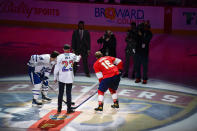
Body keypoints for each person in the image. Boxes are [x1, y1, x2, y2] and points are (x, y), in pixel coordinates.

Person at [54, 44, 81, 114]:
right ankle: (69, 109)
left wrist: (55, 77)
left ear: (63, 49)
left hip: (62, 77)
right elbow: (77, 59)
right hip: (69, 77)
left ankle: (59, 109)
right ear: (69, 49)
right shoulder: (73, 55)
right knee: (68, 93)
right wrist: (79, 57)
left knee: (60, 93)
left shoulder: (60, 56)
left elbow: (56, 68)